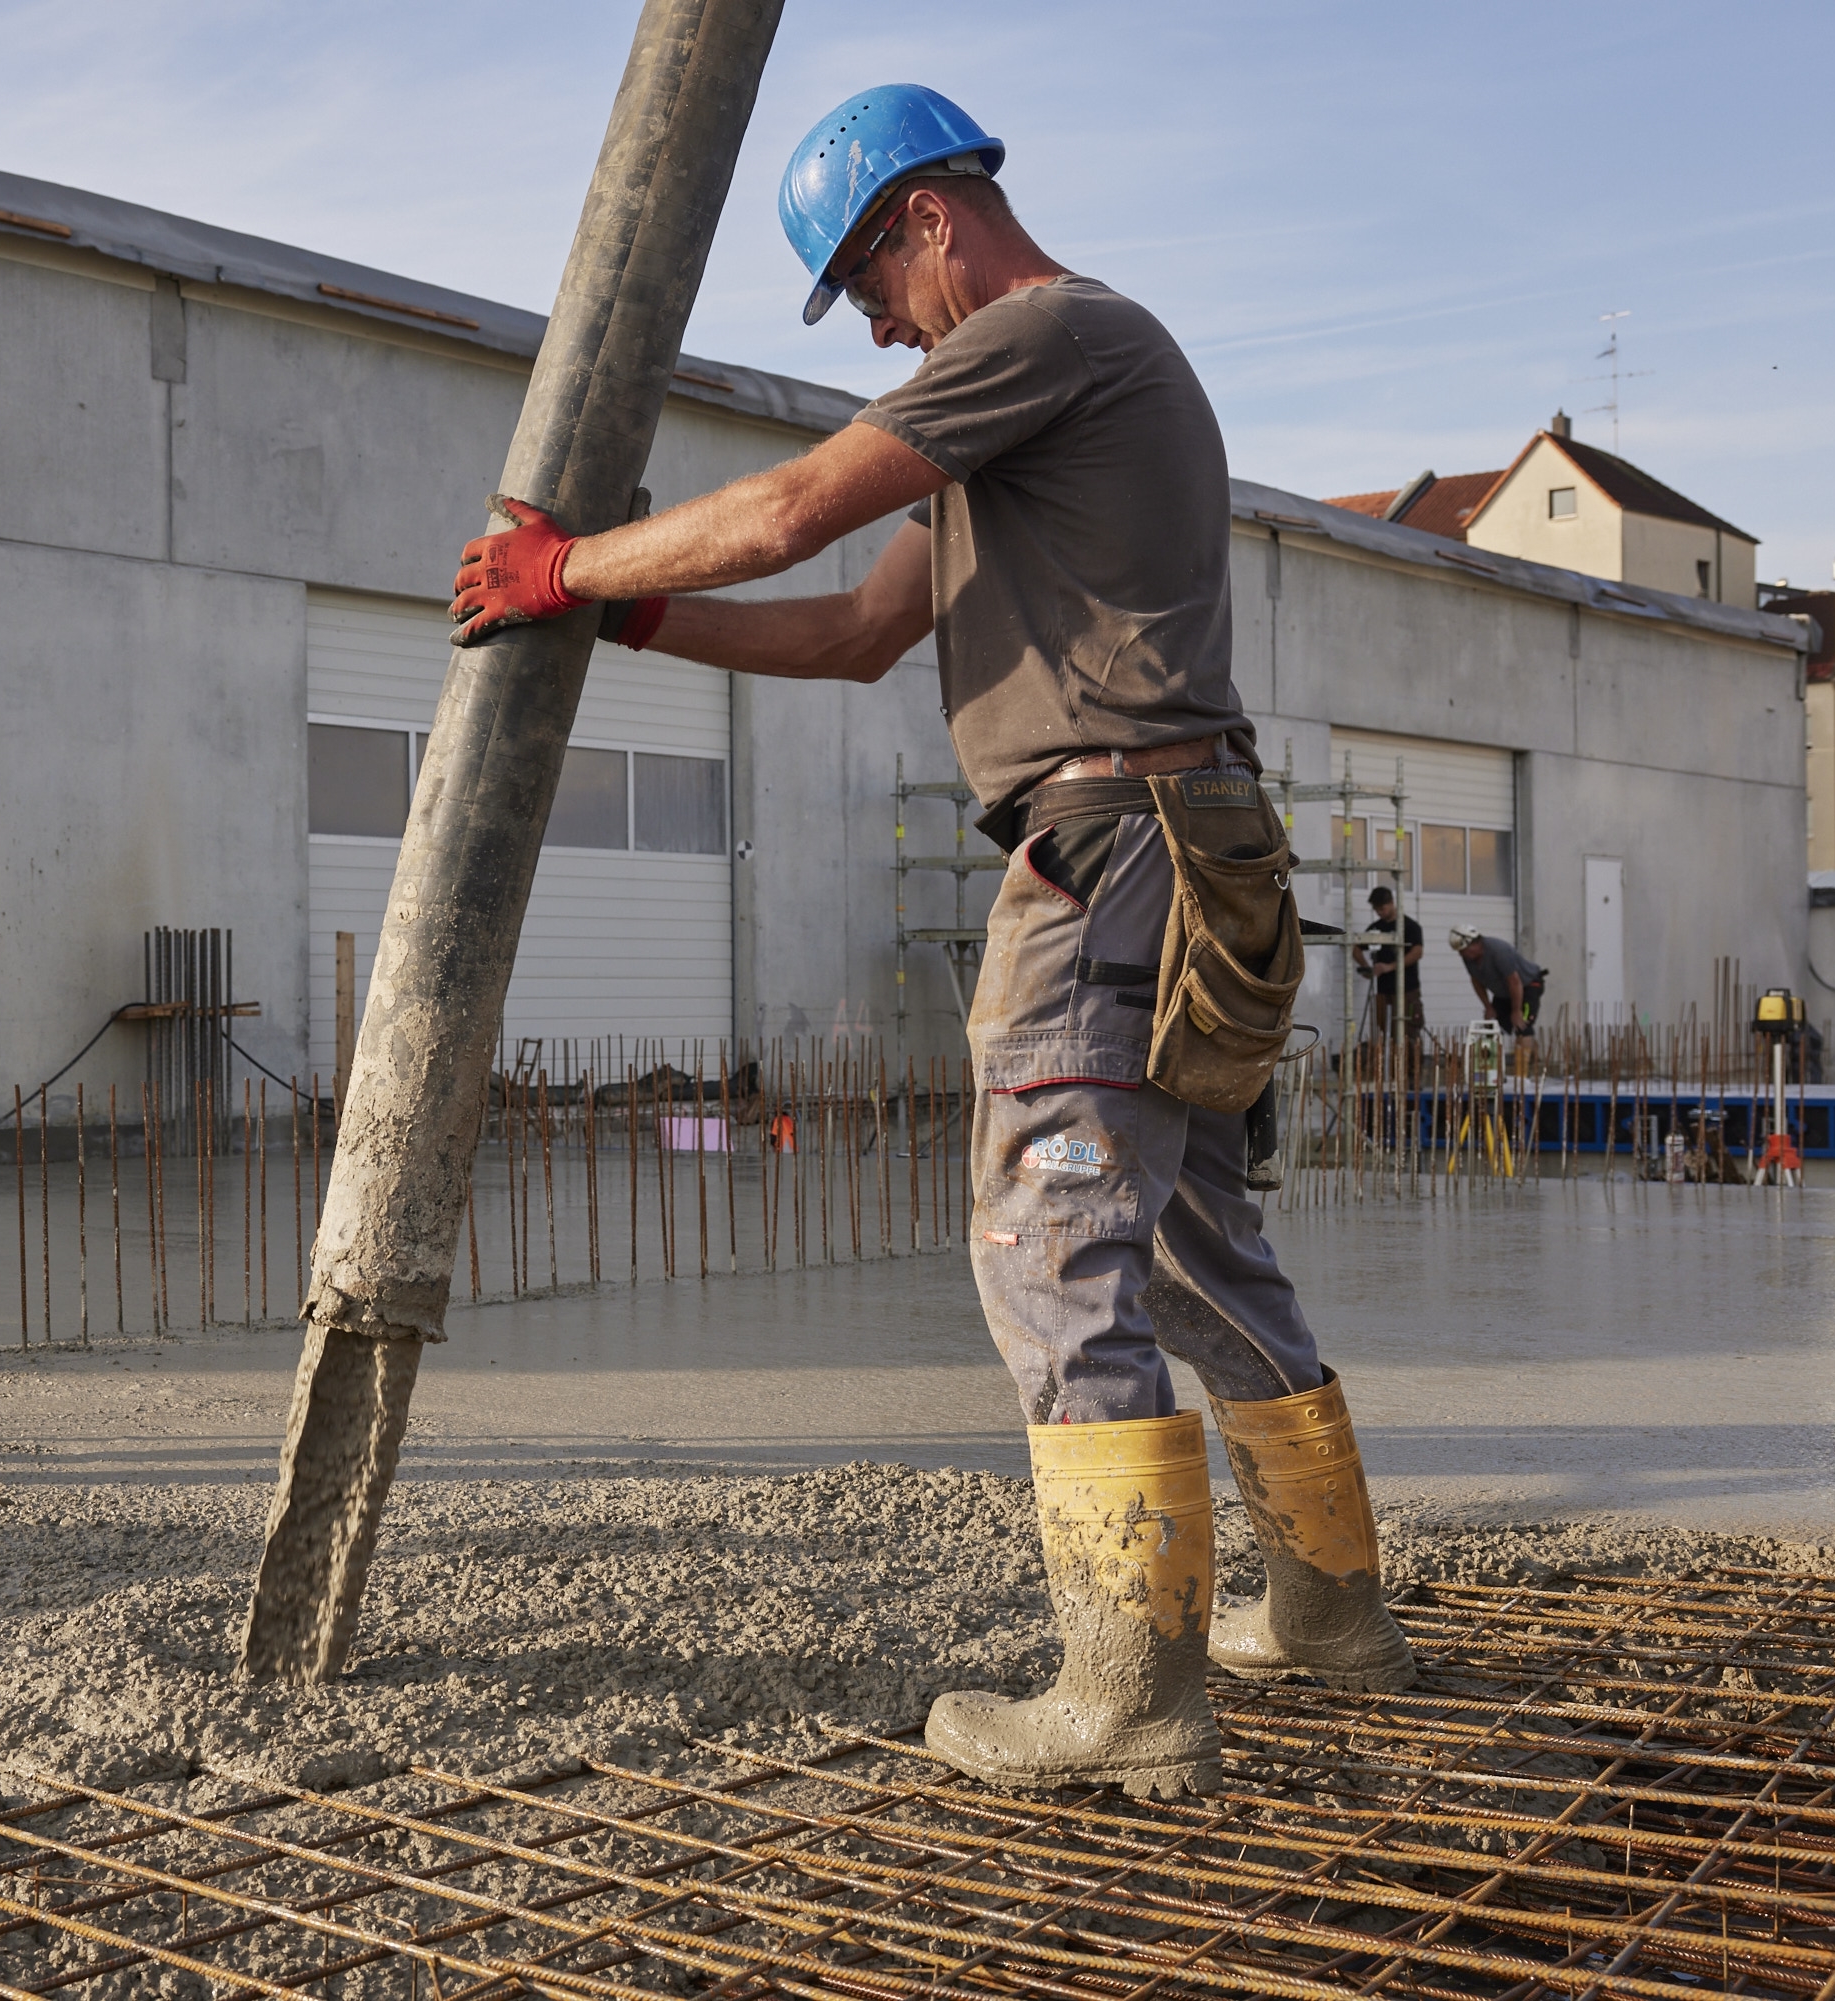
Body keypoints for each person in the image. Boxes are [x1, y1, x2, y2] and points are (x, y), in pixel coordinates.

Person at [450, 86, 1411, 1800]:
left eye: (869, 289)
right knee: (1192, 1243)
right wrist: (646, 618)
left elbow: (794, 508)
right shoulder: (1034, 422)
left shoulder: (1044, 337)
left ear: (929, 222)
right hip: (1193, 846)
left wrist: (564, 568)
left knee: (1053, 1245)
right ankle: (1331, 1609)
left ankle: (1129, 1691)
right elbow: (848, 629)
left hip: (1107, 853)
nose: (880, 330)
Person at [1450, 926, 1545, 1039]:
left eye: (1463, 951)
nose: (1461, 955)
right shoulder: (1468, 958)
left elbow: (1514, 982)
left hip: (1527, 985)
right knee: (1492, 1028)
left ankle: (1524, 1056)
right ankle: (1493, 1056)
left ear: (1474, 944)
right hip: (1505, 992)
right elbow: (1476, 980)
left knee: (1522, 1026)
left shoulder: (1498, 950)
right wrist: (1488, 1006)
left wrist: (1516, 1011)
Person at [1362, 885, 1424, 1055]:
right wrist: (1367, 969)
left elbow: (1417, 952)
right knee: (1384, 1030)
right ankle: (1389, 1072)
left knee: (1407, 1032)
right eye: (1376, 909)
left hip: (1407, 990)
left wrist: (1390, 967)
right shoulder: (1376, 928)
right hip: (1383, 991)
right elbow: (1356, 947)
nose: (1380, 912)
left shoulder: (1410, 927)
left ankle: (1410, 1076)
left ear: (1391, 903)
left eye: (1382, 908)